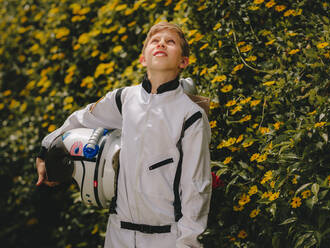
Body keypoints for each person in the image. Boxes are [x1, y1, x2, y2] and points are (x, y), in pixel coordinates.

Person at [35, 22, 212, 248]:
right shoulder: (124, 99)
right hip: (118, 235)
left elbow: (196, 186)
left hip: (166, 238)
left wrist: (188, 243)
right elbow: (80, 119)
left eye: (171, 42)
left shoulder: (191, 116)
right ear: (143, 58)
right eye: (154, 41)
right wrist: (45, 150)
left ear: (183, 61)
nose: (161, 44)